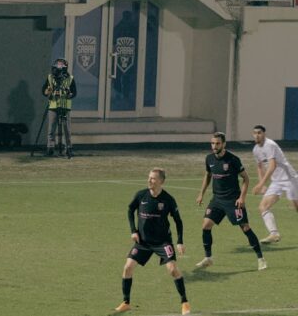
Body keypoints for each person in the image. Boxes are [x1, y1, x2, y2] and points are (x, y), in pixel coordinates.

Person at [114, 168, 190, 315]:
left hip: (163, 242)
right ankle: (126, 302)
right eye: (149, 177)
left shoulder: (168, 199)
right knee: (127, 268)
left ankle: (184, 302)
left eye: (153, 179)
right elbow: (130, 210)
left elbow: (178, 221)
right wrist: (133, 230)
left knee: (173, 270)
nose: (149, 180)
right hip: (143, 242)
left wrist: (180, 241)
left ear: (161, 181)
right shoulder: (141, 195)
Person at [195, 132, 267, 271]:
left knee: (245, 228)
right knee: (206, 226)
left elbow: (246, 179)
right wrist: (201, 194)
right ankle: (208, 258)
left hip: (233, 201)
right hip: (217, 200)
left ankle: (261, 259)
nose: (214, 146)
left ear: (224, 144)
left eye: (217, 143)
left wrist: (242, 198)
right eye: (212, 143)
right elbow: (208, 175)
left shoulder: (233, 159)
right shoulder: (209, 159)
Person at [251, 125, 298, 244]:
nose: (257, 135)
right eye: (255, 133)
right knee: (263, 207)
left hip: (290, 179)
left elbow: (272, 165)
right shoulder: (256, 149)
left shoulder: (270, 145)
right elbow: (260, 166)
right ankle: (274, 234)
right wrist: (262, 183)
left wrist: (261, 184)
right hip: (276, 181)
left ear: (264, 134)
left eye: (259, 133)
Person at [42, 58, 77, 158]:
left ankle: (68, 149)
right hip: (53, 106)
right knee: (51, 129)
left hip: (65, 107)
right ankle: (50, 148)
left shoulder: (70, 78)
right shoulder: (50, 78)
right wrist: (47, 92)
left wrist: (69, 94)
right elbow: (43, 90)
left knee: (67, 129)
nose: (55, 71)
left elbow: (74, 92)